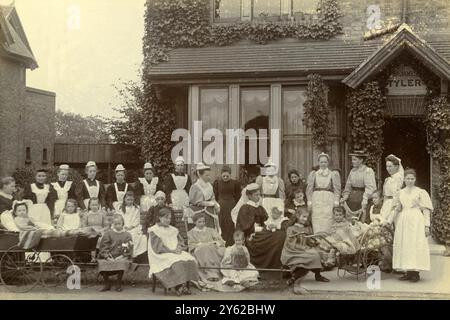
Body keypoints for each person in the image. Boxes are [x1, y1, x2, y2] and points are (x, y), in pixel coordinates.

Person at [386, 169, 432, 282]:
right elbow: (396, 209)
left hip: (416, 220)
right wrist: (388, 221)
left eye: (412, 179)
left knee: (415, 244)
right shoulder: (400, 193)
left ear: (415, 179)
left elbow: (426, 210)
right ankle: (408, 271)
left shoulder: (420, 192)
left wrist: (427, 226)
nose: (410, 181)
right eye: (408, 179)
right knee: (405, 244)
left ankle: (415, 273)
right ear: (404, 179)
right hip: (404, 220)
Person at [235, 183, 289, 270]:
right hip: (251, 235)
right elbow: (245, 227)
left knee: (281, 234)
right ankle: (272, 265)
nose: (258, 197)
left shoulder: (260, 208)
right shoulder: (245, 208)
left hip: (263, 232)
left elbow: (266, 220)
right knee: (277, 238)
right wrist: (262, 228)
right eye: (256, 195)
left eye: (259, 195)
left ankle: (279, 264)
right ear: (249, 196)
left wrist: (269, 225)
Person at [147, 207, 199, 296]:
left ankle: (183, 284)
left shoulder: (173, 230)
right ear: (159, 217)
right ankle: (178, 286)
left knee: (189, 259)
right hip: (160, 254)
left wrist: (179, 248)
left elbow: (180, 241)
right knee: (176, 261)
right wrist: (171, 251)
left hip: (173, 251)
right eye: (165, 218)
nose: (168, 220)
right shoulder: (154, 230)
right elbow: (157, 247)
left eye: (169, 218)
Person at [281, 207, 329, 285]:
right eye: (303, 216)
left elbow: (309, 241)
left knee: (319, 253)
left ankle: (318, 275)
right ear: (297, 215)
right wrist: (305, 248)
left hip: (304, 249)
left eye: (307, 217)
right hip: (292, 251)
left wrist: (315, 242)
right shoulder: (291, 229)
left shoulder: (307, 228)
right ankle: (294, 278)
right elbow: (290, 244)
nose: (305, 219)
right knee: (313, 256)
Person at [306, 153, 341, 234]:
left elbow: (337, 189)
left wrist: (336, 201)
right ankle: (317, 239)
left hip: (328, 198)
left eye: (325, 162)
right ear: (318, 162)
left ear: (328, 163)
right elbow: (309, 189)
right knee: (317, 218)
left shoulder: (333, 174)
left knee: (328, 217)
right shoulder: (313, 174)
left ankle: (327, 239)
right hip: (316, 198)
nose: (323, 164)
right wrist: (309, 201)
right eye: (321, 162)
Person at [98, 214, 133, 292]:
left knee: (121, 263)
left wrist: (121, 256)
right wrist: (107, 256)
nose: (117, 226)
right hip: (110, 256)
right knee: (102, 263)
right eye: (115, 224)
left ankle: (118, 283)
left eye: (119, 224)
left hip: (121, 256)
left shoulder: (127, 234)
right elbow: (104, 246)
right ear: (113, 224)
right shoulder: (108, 233)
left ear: (123, 223)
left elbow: (128, 248)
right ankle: (107, 283)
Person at [188, 212, 225, 282]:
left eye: (203, 222)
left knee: (220, 250)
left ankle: (216, 273)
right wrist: (200, 245)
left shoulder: (210, 230)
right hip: (200, 251)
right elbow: (191, 245)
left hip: (212, 249)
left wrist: (215, 242)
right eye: (199, 222)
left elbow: (220, 240)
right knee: (203, 249)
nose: (202, 224)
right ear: (194, 222)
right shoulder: (191, 233)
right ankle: (208, 274)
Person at [342, 151, 377, 223]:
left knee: (361, 221)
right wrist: (345, 196)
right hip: (352, 199)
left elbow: (370, 187)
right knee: (351, 222)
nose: (352, 161)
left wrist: (365, 199)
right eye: (352, 159)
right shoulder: (352, 171)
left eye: (354, 159)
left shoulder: (368, 171)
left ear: (361, 160)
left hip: (362, 198)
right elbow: (348, 186)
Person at [213, 165, 241, 246]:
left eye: (227, 176)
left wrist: (235, 206)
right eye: (224, 176)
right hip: (220, 206)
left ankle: (230, 243)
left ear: (230, 174)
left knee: (230, 224)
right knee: (221, 223)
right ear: (221, 174)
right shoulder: (217, 183)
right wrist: (217, 204)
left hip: (231, 206)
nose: (225, 177)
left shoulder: (235, 183)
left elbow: (238, 196)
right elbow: (215, 195)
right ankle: (222, 242)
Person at [189, 162, 220, 233]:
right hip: (200, 213)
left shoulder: (209, 185)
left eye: (209, 175)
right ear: (200, 175)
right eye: (207, 175)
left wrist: (216, 205)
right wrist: (211, 204)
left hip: (210, 212)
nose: (209, 177)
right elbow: (197, 202)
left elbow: (212, 198)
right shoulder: (195, 186)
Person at [118, 191, 147, 258]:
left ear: (133, 200)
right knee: (122, 234)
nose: (130, 201)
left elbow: (137, 219)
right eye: (128, 200)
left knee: (135, 236)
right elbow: (119, 218)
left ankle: (133, 254)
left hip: (134, 226)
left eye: (131, 200)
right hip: (123, 226)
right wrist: (123, 226)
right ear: (124, 199)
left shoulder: (136, 208)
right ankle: (123, 253)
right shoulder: (121, 208)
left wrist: (132, 226)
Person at [81, 197, 108, 262]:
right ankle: (93, 258)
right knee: (93, 238)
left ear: (99, 205)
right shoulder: (87, 214)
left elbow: (106, 226)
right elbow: (84, 225)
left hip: (100, 230)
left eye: (96, 205)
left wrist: (102, 230)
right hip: (90, 230)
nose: (94, 207)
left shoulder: (102, 214)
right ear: (89, 206)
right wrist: (89, 230)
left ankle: (101, 256)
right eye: (92, 205)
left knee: (101, 238)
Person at [381, 154, 404, 224]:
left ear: (397, 166)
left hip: (395, 205)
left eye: (390, 166)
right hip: (387, 205)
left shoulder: (398, 179)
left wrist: (393, 209)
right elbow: (385, 196)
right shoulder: (388, 179)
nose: (388, 169)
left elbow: (397, 195)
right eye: (387, 166)